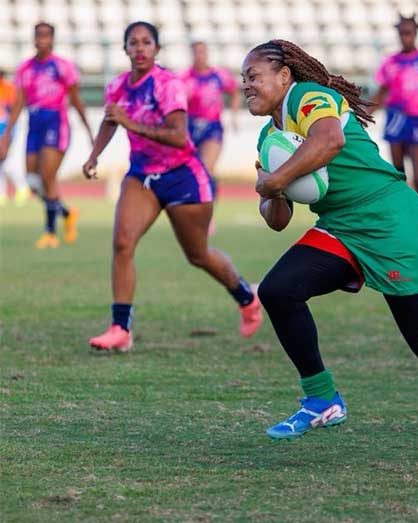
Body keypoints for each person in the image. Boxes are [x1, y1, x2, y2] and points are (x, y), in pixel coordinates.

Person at [242, 39, 418, 470]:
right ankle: (321, 399)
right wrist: (272, 190)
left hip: (390, 221)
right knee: (278, 290)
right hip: (340, 226)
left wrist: (277, 178)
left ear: (284, 75)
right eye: (243, 81)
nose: (246, 87)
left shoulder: (312, 98)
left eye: (253, 77)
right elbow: (277, 218)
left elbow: (328, 140)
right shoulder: (267, 137)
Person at [82, 21, 262, 352]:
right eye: (133, 43)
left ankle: (247, 297)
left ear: (157, 49)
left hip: (183, 177)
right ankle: (120, 328)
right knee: (123, 243)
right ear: (125, 50)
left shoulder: (167, 85)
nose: (139, 48)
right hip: (142, 176)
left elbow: (179, 136)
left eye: (146, 42)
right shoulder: (118, 85)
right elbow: (111, 119)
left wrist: (129, 123)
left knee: (198, 254)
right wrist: (94, 155)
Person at [0, 22, 92, 248]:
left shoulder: (63, 67)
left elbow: (76, 100)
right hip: (34, 123)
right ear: (33, 39)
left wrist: (90, 130)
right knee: (32, 183)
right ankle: (67, 214)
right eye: (38, 36)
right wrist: (6, 135)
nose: (41, 40)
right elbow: (19, 102)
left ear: (52, 39)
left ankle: (50, 233)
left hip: (55, 122)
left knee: (47, 176)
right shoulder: (26, 69)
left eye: (46, 36)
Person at [370, 14, 418, 217]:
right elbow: (381, 93)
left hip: (417, 120)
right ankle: (403, 220)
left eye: (409, 33)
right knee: (398, 175)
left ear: (415, 34)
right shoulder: (390, 62)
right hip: (395, 120)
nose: (405, 37)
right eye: (402, 34)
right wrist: (365, 114)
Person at [180, 41, 240, 177]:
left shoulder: (218, 75)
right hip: (189, 126)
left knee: (206, 169)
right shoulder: (184, 78)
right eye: (196, 52)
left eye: (202, 52)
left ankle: (208, 194)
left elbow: (235, 92)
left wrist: (234, 116)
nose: (199, 56)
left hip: (212, 127)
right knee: (188, 170)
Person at [0, 69, 31, 207]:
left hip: (6, 129)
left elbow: (14, 109)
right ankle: (2, 194)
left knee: (5, 161)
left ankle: (23, 187)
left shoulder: (8, 89)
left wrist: (9, 132)